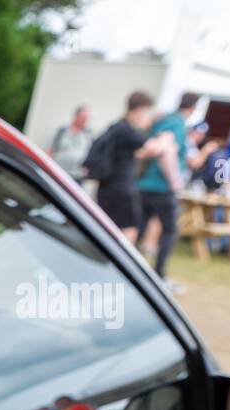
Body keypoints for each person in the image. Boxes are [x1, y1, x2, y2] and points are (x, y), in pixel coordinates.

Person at [137, 93, 198, 291]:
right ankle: (159, 276)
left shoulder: (162, 119)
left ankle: (135, 271)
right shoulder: (177, 124)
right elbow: (166, 153)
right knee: (170, 230)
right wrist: (175, 183)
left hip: (143, 184)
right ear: (193, 108)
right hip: (161, 187)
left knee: (140, 228)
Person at [89, 91, 156, 243]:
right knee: (129, 230)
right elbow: (154, 147)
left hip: (106, 187)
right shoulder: (128, 130)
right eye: (146, 112)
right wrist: (166, 139)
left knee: (105, 227)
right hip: (122, 190)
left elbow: (134, 153)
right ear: (139, 109)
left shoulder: (115, 126)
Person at [50, 105, 94, 180]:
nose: (85, 121)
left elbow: (91, 153)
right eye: (83, 118)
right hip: (58, 173)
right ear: (76, 116)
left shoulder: (88, 134)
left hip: (77, 176)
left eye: (86, 119)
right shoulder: (62, 131)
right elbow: (51, 149)